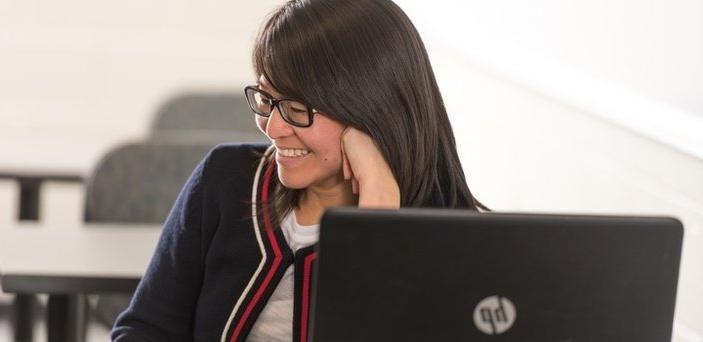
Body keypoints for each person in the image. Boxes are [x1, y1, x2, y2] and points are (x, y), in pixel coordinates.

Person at [111, 0, 486, 340]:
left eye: (296, 108)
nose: (273, 127)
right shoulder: (226, 179)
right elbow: (144, 330)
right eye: (267, 99)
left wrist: (378, 206)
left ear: (370, 111)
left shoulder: (449, 234)